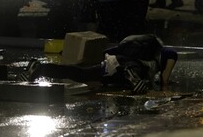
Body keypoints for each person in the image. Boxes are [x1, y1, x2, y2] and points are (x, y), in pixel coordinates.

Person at [19, 34, 178, 94]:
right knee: (82, 74)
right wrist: (165, 87)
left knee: (82, 74)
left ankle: (40, 68)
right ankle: (133, 79)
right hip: (123, 64)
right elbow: (165, 79)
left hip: (116, 65)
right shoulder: (170, 54)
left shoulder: (155, 51)